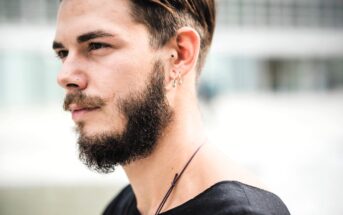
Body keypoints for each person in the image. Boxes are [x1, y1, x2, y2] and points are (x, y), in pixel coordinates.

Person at [52, 0, 290, 214]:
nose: (65, 76)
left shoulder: (241, 212)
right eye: (63, 53)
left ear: (180, 55)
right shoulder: (122, 206)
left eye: (96, 45)